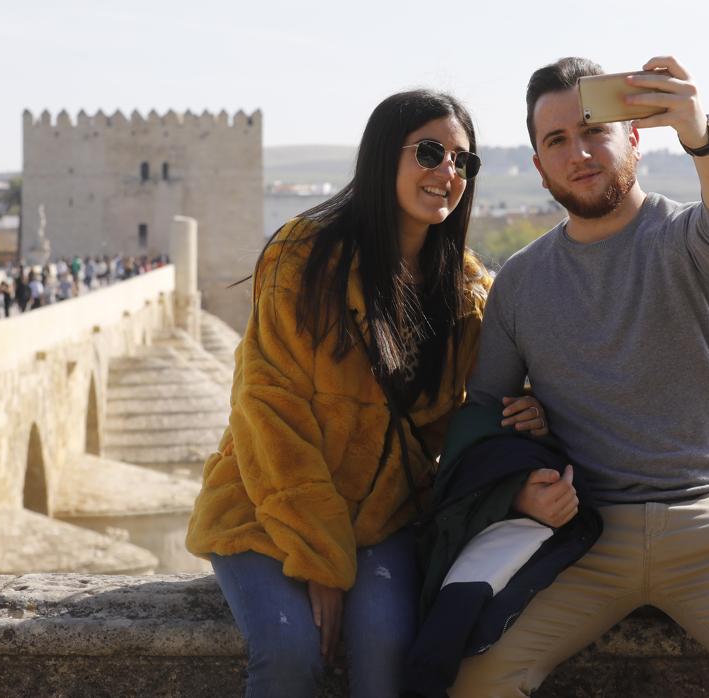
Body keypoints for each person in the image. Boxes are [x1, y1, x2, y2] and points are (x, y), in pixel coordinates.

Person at [450, 56, 709, 697]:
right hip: (584, 534)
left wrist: (699, 133)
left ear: (632, 135)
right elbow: (484, 413)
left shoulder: (688, 240)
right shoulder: (520, 280)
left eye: (594, 130)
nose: (579, 153)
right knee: (477, 677)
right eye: (556, 141)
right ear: (539, 166)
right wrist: (524, 469)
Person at [186, 90, 548, 698]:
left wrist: (531, 406)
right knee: (289, 651)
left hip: (384, 518)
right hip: (264, 507)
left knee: (387, 656)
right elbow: (268, 410)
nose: (448, 173)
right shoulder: (304, 257)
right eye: (430, 153)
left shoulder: (465, 294)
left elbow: (490, 395)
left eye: (464, 161)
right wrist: (320, 559)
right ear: (384, 157)